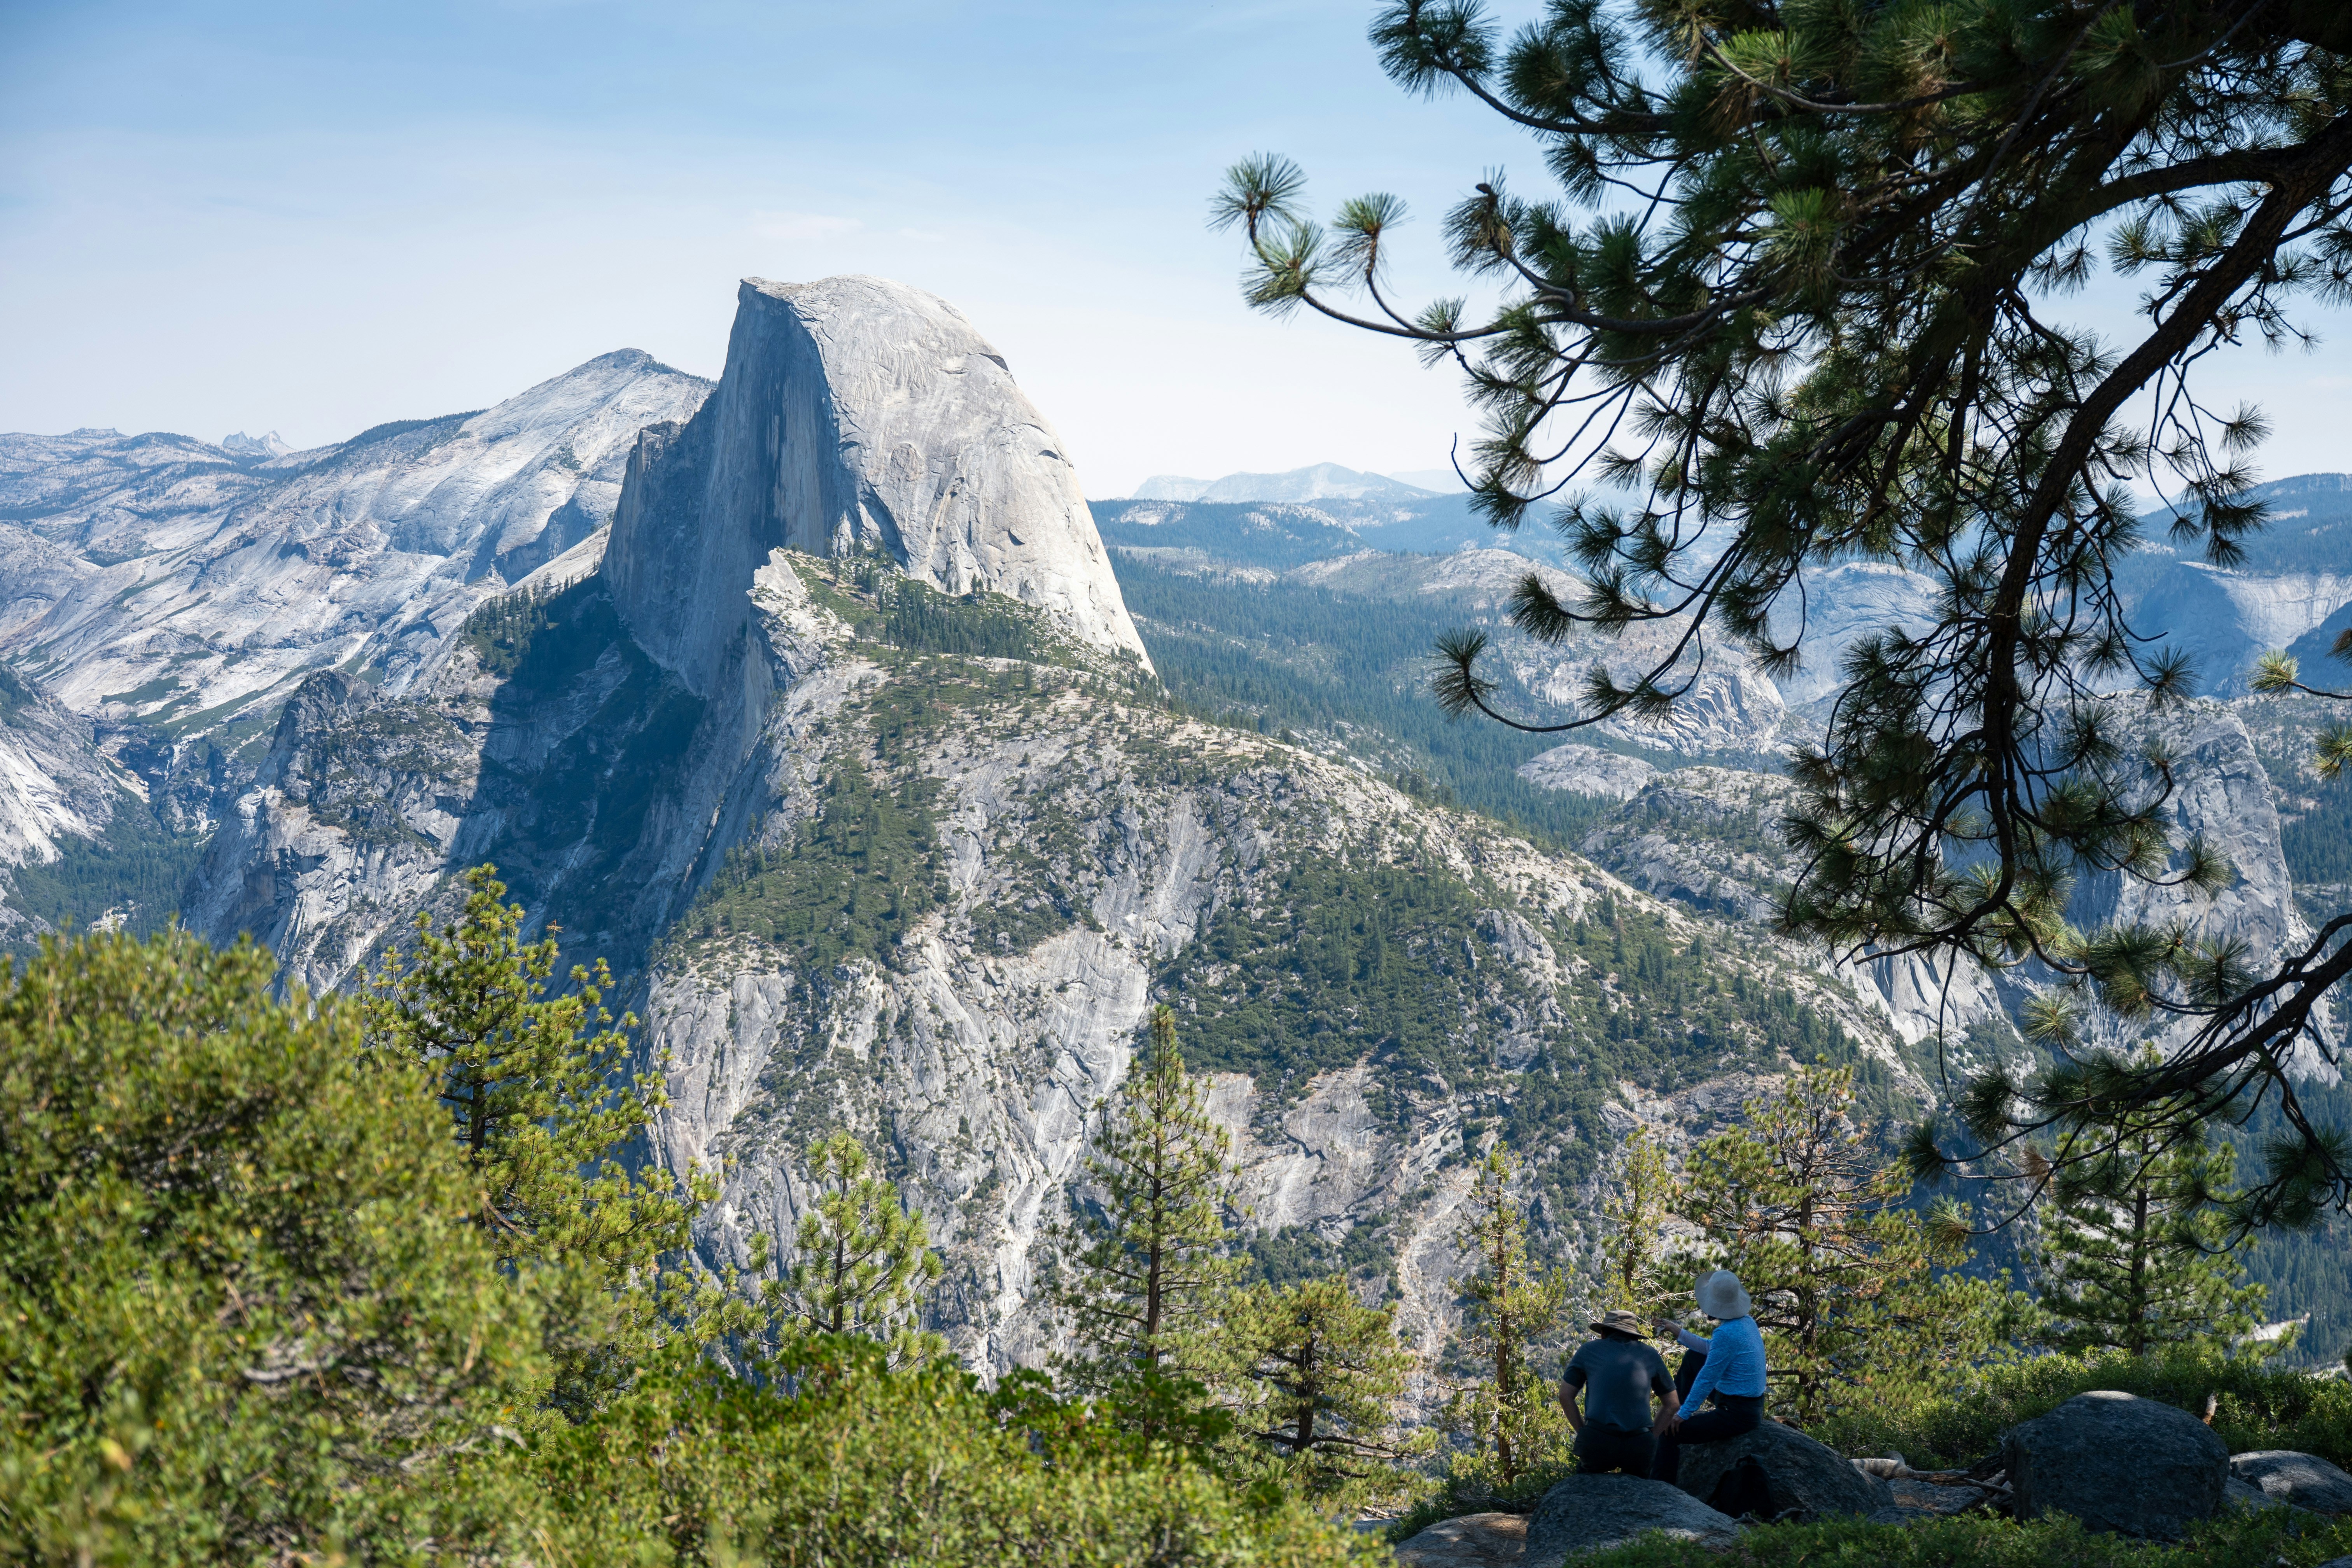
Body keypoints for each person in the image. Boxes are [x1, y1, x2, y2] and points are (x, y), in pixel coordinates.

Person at [1649, 1268, 1766, 1487]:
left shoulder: (1726, 1333)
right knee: (1694, 1358)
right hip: (1749, 1404)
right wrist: (1678, 1332)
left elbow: (1707, 1379)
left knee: (1669, 1432)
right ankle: (1672, 1407)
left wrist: (1683, 1415)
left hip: (1737, 1414)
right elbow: (1710, 1349)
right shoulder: (1746, 1322)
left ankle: (1660, 1490)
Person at [1559, 1308, 1680, 1476]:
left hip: (1598, 1441)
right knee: (1640, 1488)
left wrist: (1582, 1432)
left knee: (1585, 1483)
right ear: (1635, 1336)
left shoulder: (1589, 1351)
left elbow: (1565, 1395)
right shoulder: (1650, 1355)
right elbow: (1673, 1404)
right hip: (1639, 1444)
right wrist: (1652, 1437)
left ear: (1603, 1333)